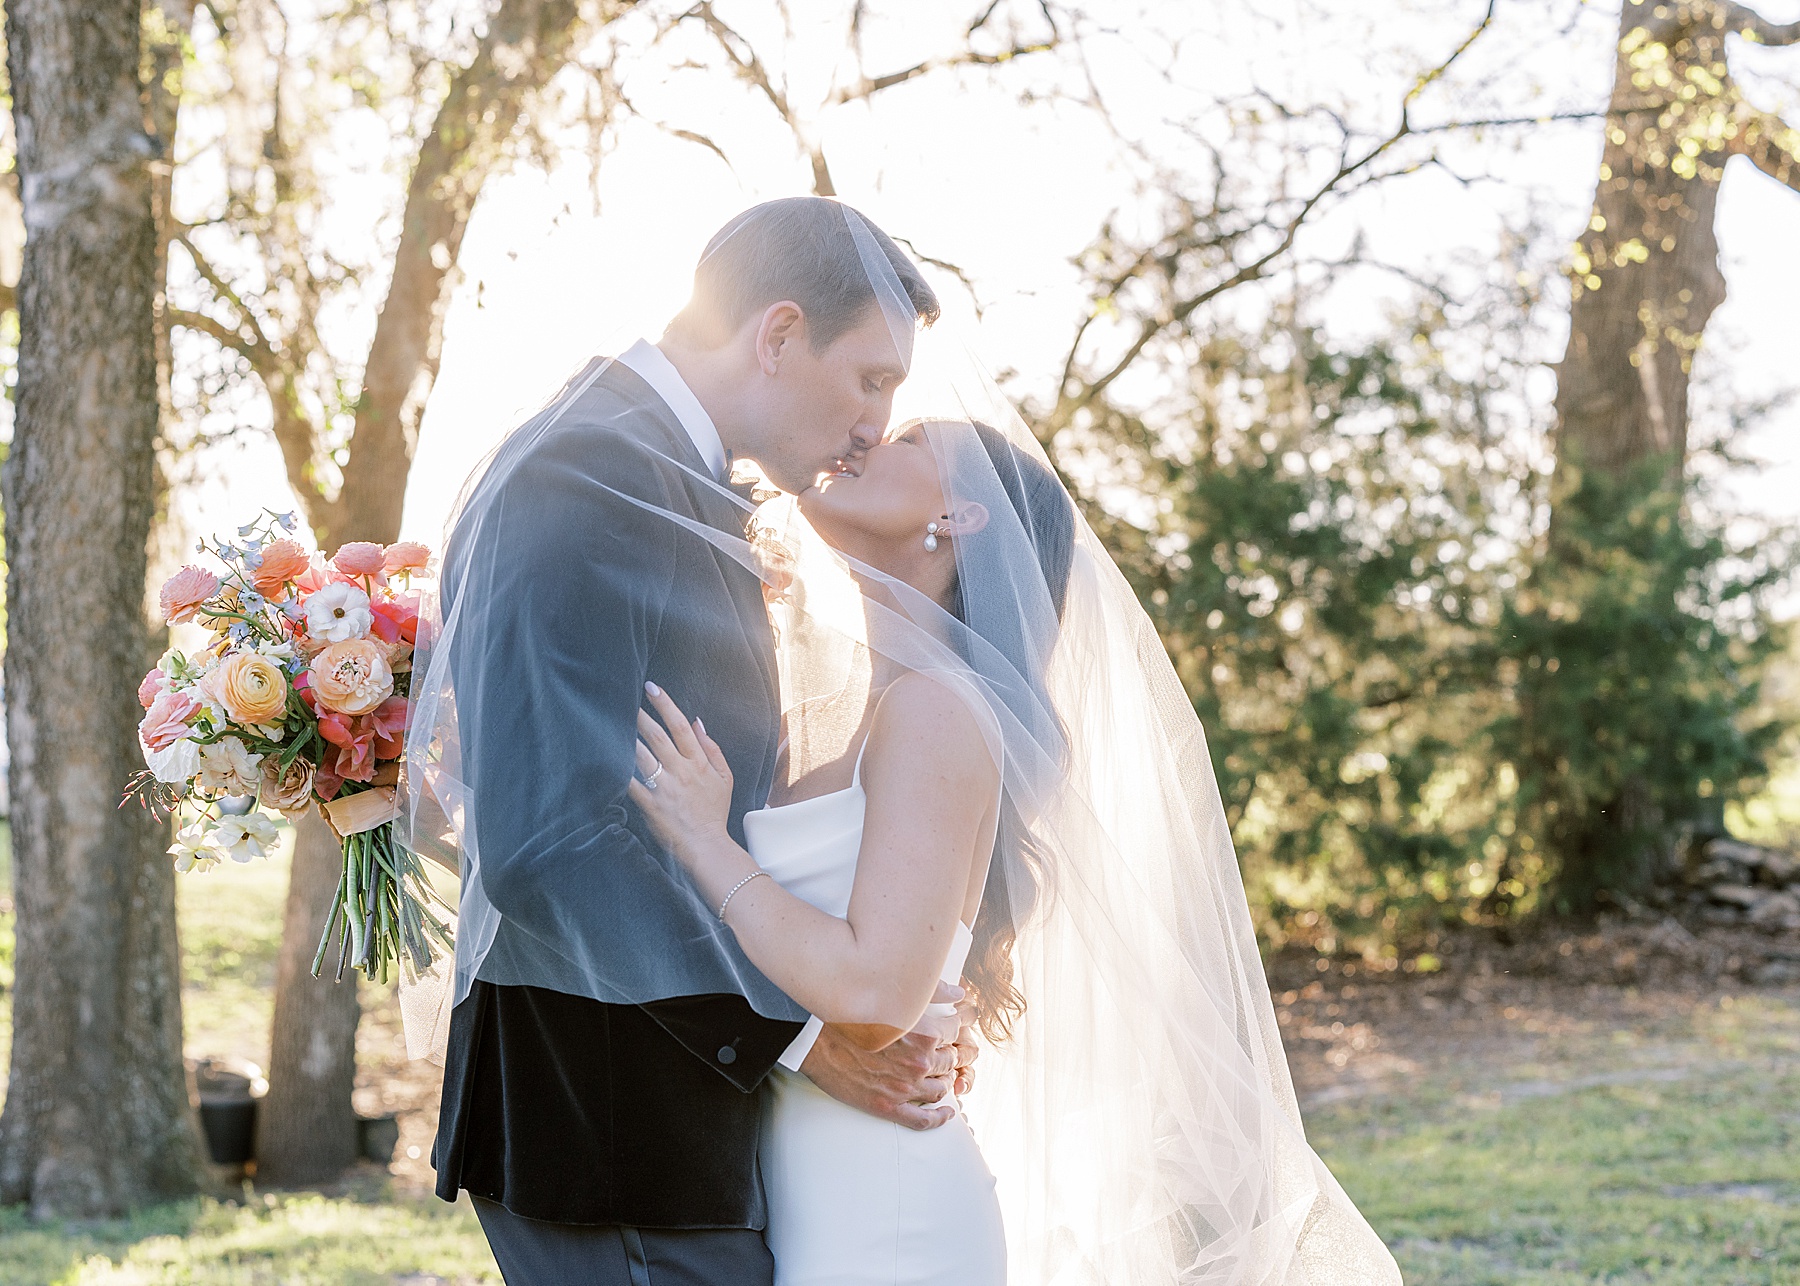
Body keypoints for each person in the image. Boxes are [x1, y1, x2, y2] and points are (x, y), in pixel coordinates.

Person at [606, 202, 1405, 1284]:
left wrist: (711, 845)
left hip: (883, 1215)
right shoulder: (855, 703)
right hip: (809, 1182)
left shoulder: (938, 709)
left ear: (962, 518)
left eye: (906, 439)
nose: (865, 438)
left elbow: (880, 990)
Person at [406, 198, 981, 1285]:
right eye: (872, 380)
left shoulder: (656, 465)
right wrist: (804, 1040)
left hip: (666, 1129)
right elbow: (547, 841)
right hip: (613, 1127)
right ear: (775, 333)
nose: (874, 422)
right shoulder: (582, 472)